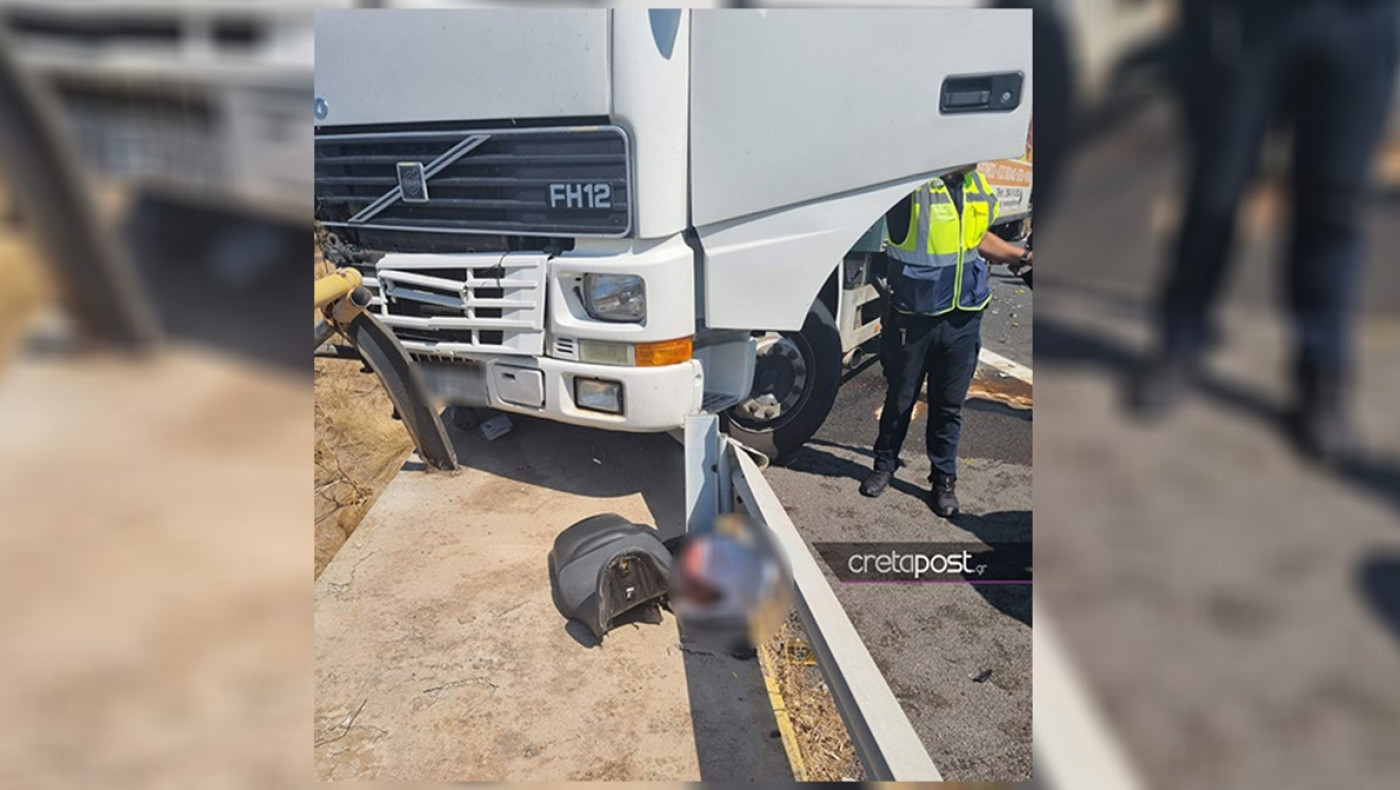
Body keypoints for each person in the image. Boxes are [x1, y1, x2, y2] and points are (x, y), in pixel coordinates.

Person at [1130, 0, 1399, 465]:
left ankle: (1322, 374)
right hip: (1249, 18)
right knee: (1216, 191)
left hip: (1363, 21)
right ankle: (1179, 341)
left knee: (1333, 205)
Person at [861, 165, 1031, 517]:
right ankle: (883, 465)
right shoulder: (914, 185)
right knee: (900, 398)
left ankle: (943, 480)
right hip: (915, 314)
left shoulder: (975, 183)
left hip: (964, 315)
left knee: (949, 405)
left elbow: (977, 238)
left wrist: (1021, 257)